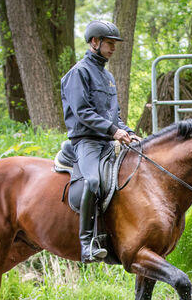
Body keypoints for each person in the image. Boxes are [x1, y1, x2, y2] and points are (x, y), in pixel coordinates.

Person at [61, 20, 142, 263]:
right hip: (86, 141)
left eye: (115, 44)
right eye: (109, 43)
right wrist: (113, 131)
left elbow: (114, 116)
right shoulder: (78, 73)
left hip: (107, 141)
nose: (113, 48)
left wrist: (129, 132)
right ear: (95, 42)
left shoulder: (107, 77)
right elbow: (82, 112)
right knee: (93, 180)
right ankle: (87, 244)